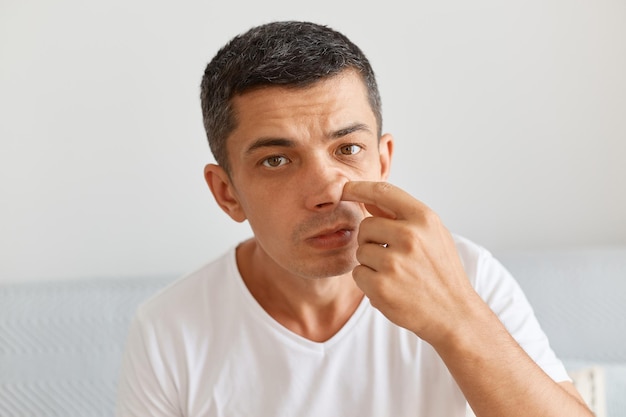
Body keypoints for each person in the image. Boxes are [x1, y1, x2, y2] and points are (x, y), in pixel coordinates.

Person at [115, 21, 592, 417]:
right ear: (227, 193)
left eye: (348, 148)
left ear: (382, 161)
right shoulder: (168, 329)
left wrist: (457, 321)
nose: (327, 191)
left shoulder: (468, 275)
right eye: (277, 160)